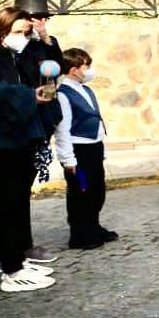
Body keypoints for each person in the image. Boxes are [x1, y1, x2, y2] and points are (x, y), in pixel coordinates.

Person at [0, 6, 60, 292]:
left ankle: (15, 259)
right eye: (18, 32)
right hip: (3, 140)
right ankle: (11, 270)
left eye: (26, 32)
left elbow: (44, 70)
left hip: (20, 138)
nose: (23, 37)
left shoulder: (18, 55)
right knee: (6, 205)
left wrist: (42, 38)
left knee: (16, 202)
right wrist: (28, 96)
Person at [53, 47, 115, 248]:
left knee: (97, 191)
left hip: (94, 149)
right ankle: (80, 234)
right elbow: (63, 129)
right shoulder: (63, 94)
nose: (89, 70)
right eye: (86, 66)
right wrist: (68, 159)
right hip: (79, 152)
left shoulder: (86, 89)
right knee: (81, 191)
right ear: (73, 70)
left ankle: (93, 226)